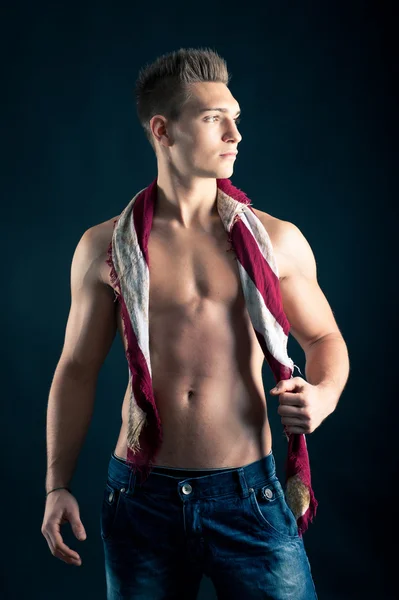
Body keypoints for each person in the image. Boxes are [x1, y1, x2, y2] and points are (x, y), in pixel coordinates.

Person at [41, 47, 349, 599]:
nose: (235, 133)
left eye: (236, 118)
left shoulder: (274, 241)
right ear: (163, 130)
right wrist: (56, 485)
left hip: (248, 497)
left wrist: (323, 396)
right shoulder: (105, 248)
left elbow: (325, 337)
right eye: (214, 120)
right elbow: (76, 369)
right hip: (140, 500)